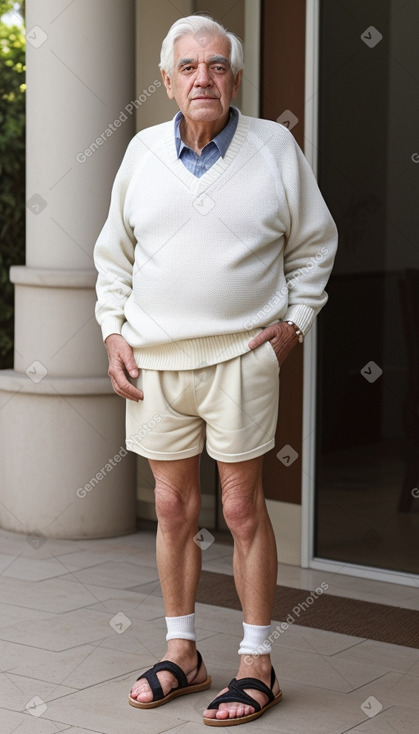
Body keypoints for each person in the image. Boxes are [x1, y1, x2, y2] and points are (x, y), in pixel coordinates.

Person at [94, 14, 338, 727]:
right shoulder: (142, 152)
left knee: (238, 509)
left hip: (241, 359)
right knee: (172, 508)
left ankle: (257, 662)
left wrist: (292, 328)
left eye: (219, 66)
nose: (205, 78)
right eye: (190, 67)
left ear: (235, 78)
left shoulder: (273, 147)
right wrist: (113, 334)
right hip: (156, 363)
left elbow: (314, 248)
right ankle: (184, 653)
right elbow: (114, 258)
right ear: (168, 81)